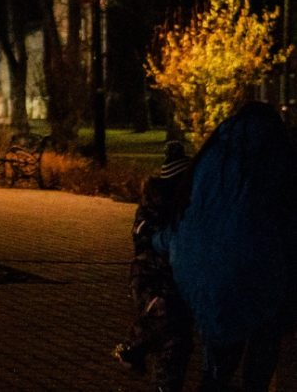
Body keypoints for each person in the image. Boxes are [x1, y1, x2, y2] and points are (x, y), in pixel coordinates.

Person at [154, 101, 297, 391]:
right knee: (267, 324)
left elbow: (190, 218)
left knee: (219, 353)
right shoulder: (280, 158)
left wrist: (159, 242)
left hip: (195, 268)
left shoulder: (212, 154)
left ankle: (216, 377)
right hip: (255, 269)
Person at [113, 141, 195, 390]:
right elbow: (143, 237)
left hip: (175, 279)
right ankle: (132, 346)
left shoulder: (187, 204)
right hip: (149, 276)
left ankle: (164, 385)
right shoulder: (156, 203)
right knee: (164, 312)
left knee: (176, 341)